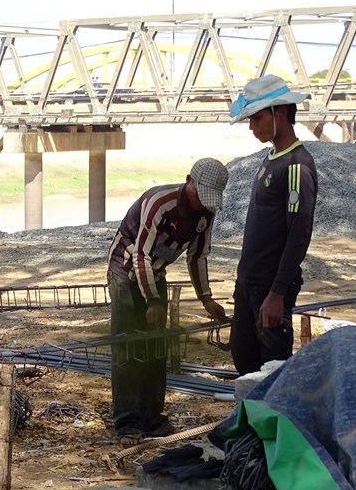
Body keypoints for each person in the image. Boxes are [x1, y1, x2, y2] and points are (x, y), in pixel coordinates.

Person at [106, 158, 229, 445]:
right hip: (125, 270)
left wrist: (206, 298)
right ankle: (127, 423)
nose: (202, 205)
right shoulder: (159, 202)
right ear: (189, 181)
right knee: (128, 345)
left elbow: (197, 256)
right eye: (200, 196)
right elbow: (140, 256)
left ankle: (152, 418)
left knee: (156, 346)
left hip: (155, 271)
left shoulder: (205, 214)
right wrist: (153, 301)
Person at [228, 75, 318, 376]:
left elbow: (298, 233)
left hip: (270, 288)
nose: (253, 127)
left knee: (271, 371)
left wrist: (277, 293)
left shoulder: (296, 165)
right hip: (249, 284)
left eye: (257, 118)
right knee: (245, 363)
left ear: (281, 113)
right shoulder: (270, 159)